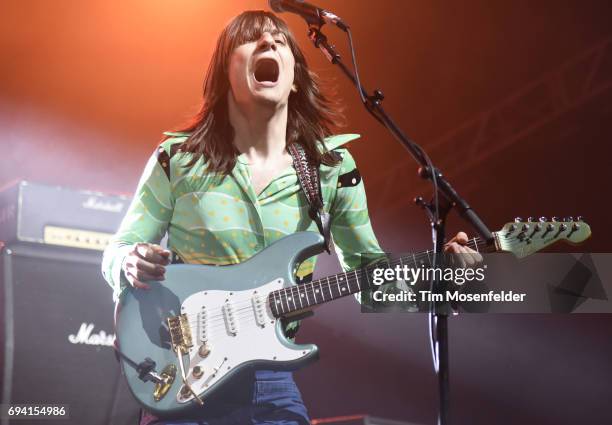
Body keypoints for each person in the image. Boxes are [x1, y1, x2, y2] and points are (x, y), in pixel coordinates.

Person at [101, 10, 481, 425]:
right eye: (251, 40)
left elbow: (370, 282)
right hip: (183, 375)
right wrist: (129, 261)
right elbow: (117, 250)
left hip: (271, 381)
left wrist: (440, 280)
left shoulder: (330, 169)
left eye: (279, 42)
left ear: (295, 76)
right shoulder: (176, 161)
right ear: (225, 71)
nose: (268, 44)